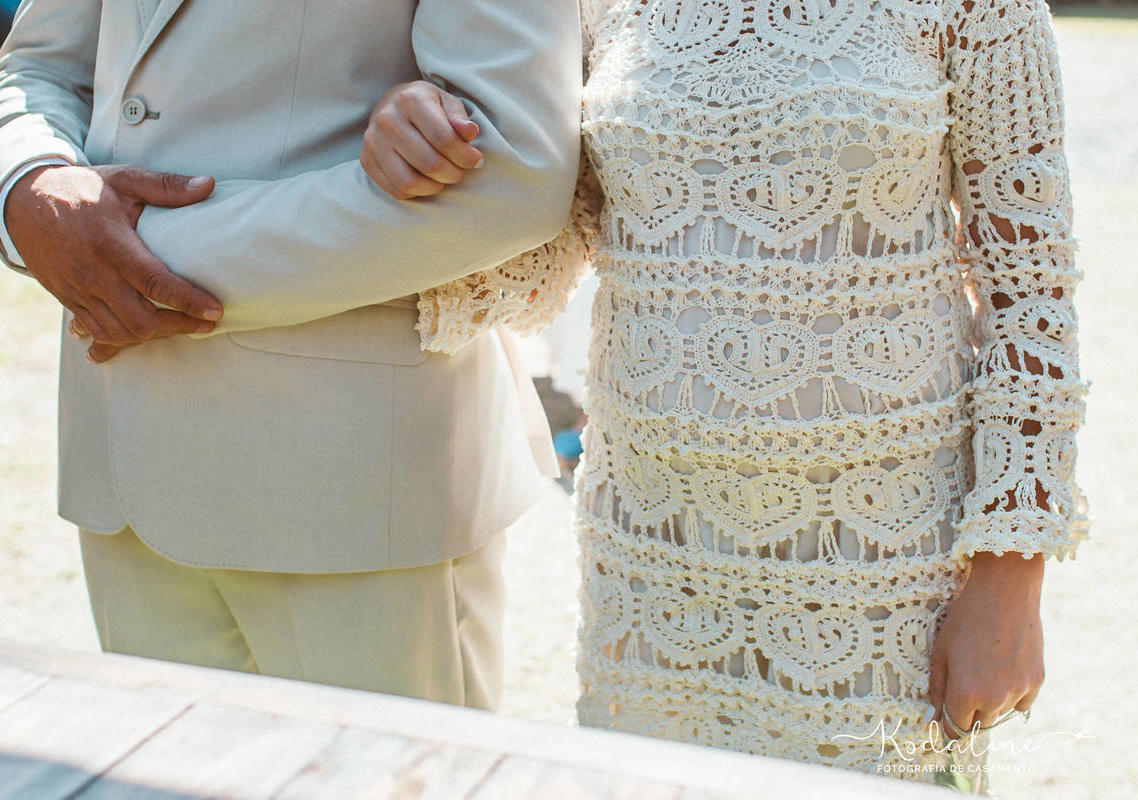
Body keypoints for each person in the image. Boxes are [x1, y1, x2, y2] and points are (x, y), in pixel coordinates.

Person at [362, 0, 1088, 786]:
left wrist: (1012, 574)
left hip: (873, 558)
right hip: (655, 547)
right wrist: (425, 134)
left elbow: (1031, 298)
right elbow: (551, 227)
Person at [0, 0, 581, 710]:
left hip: (354, 492)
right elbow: (41, 65)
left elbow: (510, 164)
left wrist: (126, 259)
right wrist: (29, 184)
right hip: (120, 460)